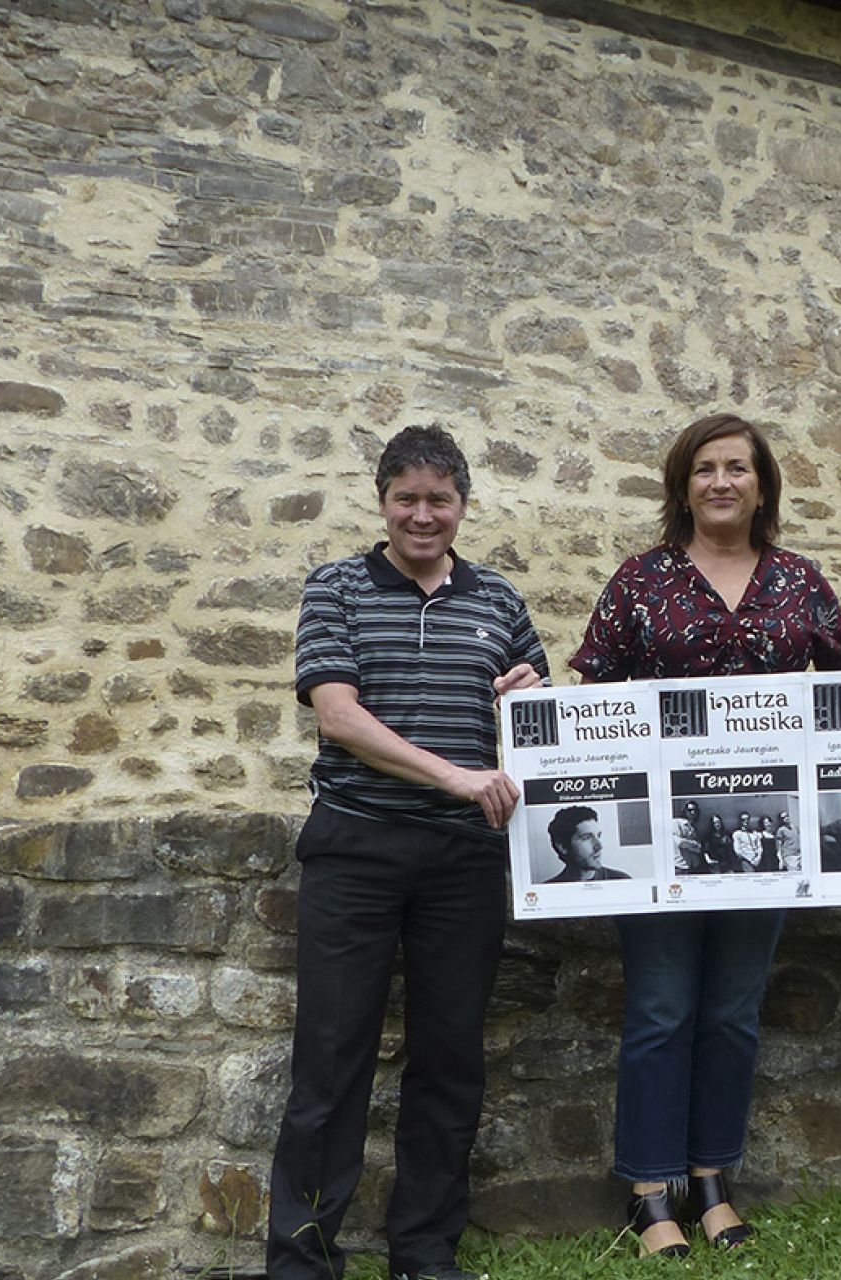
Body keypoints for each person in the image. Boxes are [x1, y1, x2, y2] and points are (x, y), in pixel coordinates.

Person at [268, 425, 549, 1280]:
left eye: (440, 500)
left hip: (463, 863)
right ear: (382, 501)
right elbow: (339, 717)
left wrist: (528, 697)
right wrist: (458, 779)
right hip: (356, 847)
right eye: (407, 499)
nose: (423, 515)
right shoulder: (338, 588)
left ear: (463, 506)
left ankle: (424, 1252)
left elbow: (538, 734)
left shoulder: (499, 601)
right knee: (332, 1057)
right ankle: (303, 1259)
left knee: (451, 1058)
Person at [570, 413, 841, 1256]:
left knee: (732, 1012)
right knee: (661, 1009)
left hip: (766, 838)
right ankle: (648, 1189)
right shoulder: (640, 580)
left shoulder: (801, 582)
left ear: (762, 483)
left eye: (738, 467)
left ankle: (712, 1180)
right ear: (681, 485)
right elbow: (591, 698)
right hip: (661, 841)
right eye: (705, 468)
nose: (722, 481)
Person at [544, 805, 632, 882]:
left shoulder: (622, 881)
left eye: (598, 836)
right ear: (563, 847)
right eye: (586, 837)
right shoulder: (547, 890)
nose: (599, 846)